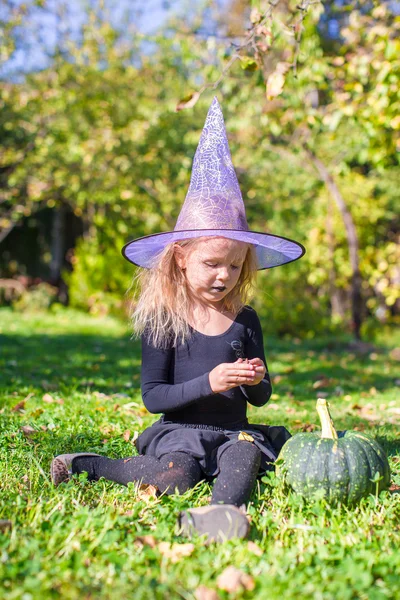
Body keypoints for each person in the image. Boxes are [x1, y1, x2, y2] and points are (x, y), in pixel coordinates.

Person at [51, 97, 305, 542]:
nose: (224, 275)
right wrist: (212, 380)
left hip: (232, 433)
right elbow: (155, 397)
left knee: (244, 461)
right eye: (212, 263)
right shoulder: (163, 320)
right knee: (175, 478)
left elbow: (261, 398)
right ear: (182, 258)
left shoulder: (245, 320)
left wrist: (253, 379)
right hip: (180, 433)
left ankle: (220, 516)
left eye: (234, 265)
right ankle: (86, 465)